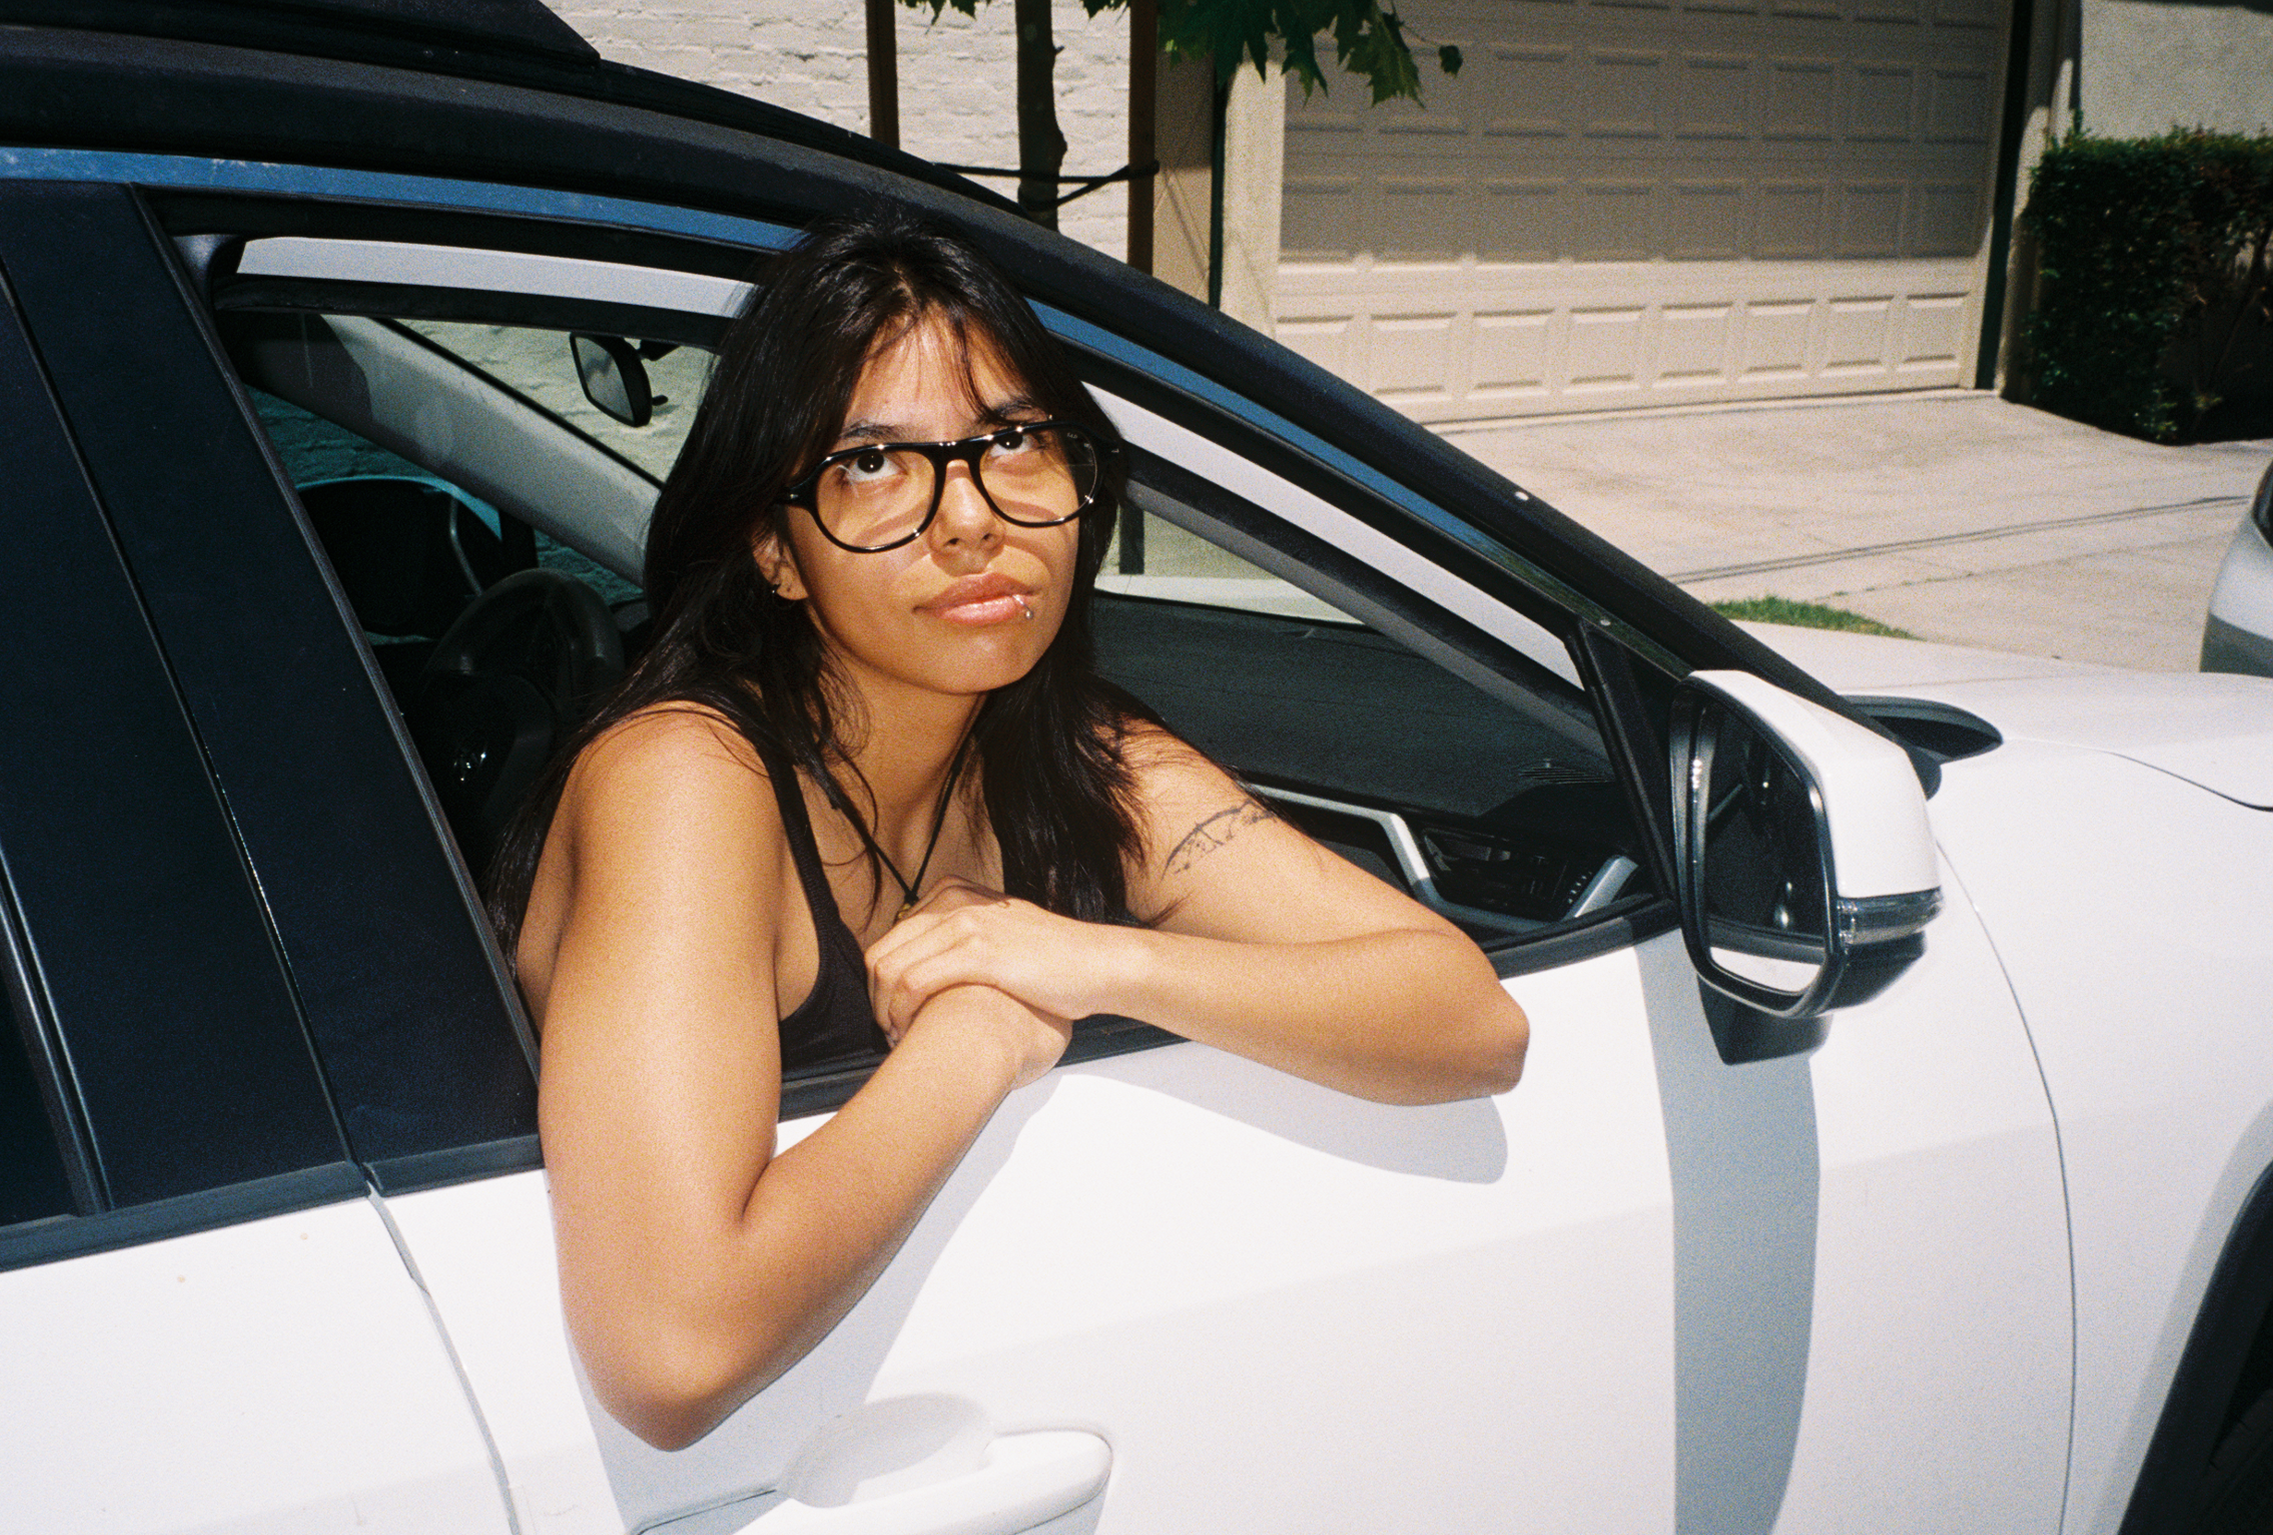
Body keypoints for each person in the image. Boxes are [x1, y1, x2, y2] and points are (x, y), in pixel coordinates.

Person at [489, 210, 1529, 1451]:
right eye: (872, 463)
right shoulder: (685, 779)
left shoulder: (1074, 753)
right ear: (772, 549)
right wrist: (983, 1027)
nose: (971, 514)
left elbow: (1470, 1021)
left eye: (1013, 439)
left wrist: (1091, 960)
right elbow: (671, 1350)